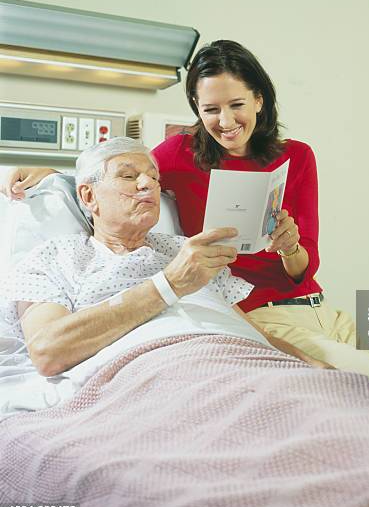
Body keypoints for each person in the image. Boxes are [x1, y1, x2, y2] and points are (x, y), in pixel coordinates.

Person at [0, 42, 369, 398]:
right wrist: (50, 175)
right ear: (196, 107)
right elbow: (117, 176)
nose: (225, 121)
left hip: (318, 306)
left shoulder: (297, 157)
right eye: (210, 109)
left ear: (260, 99)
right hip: (259, 317)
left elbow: (304, 269)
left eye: (236, 105)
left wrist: (290, 246)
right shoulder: (178, 156)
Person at [1, 137, 334, 377]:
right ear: (88, 195)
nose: (148, 184)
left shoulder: (183, 249)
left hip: (252, 365)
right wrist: (169, 284)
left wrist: (309, 364)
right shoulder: (55, 258)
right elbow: (47, 351)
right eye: (129, 176)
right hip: (160, 376)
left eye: (155, 177)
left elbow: (248, 330)